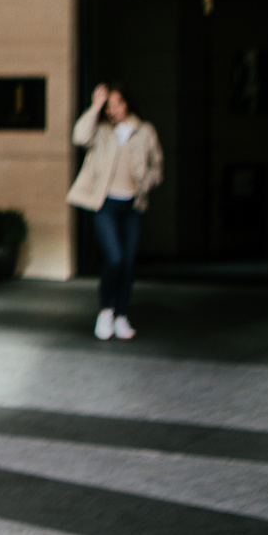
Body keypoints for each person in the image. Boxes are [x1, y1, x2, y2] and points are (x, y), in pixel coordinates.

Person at [68, 82, 161, 341]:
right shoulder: (100, 131)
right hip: (105, 205)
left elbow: (157, 165)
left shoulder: (144, 131)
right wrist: (95, 105)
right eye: (108, 106)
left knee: (129, 263)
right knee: (115, 258)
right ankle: (105, 312)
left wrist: (148, 181)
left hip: (133, 205)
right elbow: (79, 136)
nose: (113, 110)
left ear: (127, 103)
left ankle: (121, 316)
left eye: (117, 103)